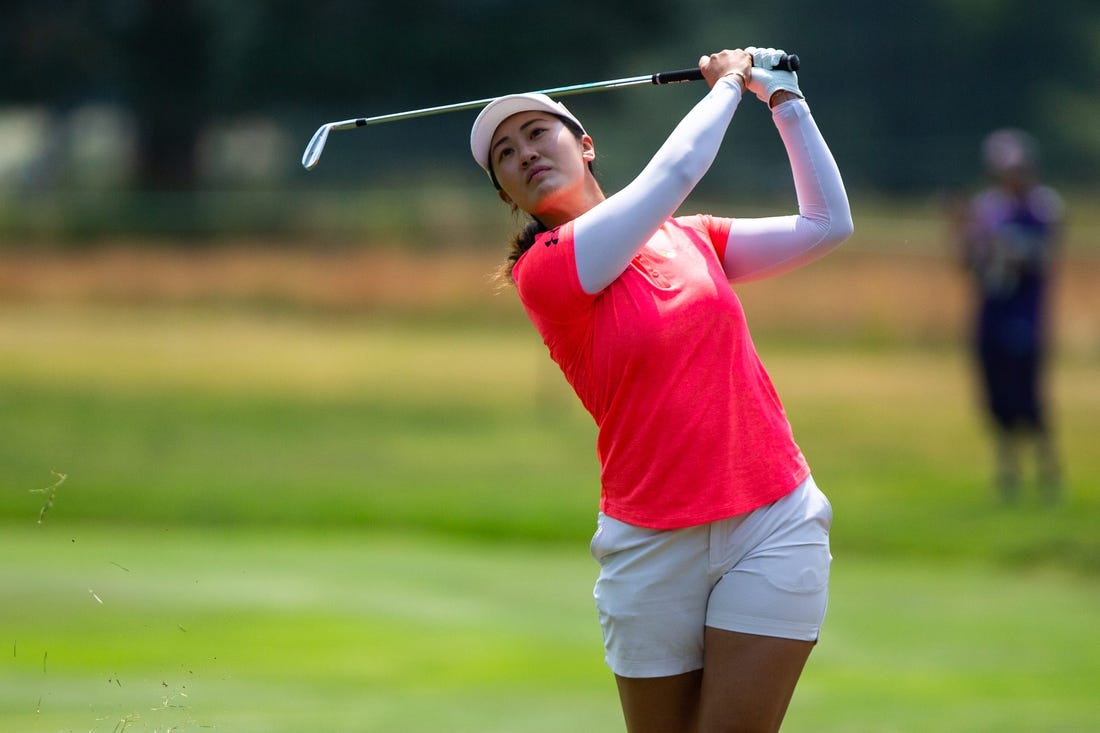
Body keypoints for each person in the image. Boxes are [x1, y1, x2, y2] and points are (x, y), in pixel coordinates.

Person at [469, 47, 852, 733]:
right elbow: (674, 170)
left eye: (537, 132)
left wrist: (786, 101)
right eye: (504, 153)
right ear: (505, 193)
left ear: (584, 146)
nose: (524, 151)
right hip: (650, 544)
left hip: (772, 518)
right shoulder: (545, 271)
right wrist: (732, 83)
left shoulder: (690, 238)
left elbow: (827, 225)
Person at [954, 128, 1063, 502]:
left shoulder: (1042, 207)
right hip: (992, 313)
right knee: (996, 395)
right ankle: (1008, 471)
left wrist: (992, 242)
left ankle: (1048, 469)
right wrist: (961, 233)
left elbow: (1038, 257)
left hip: (1024, 316)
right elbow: (969, 265)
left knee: (1029, 396)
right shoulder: (989, 209)